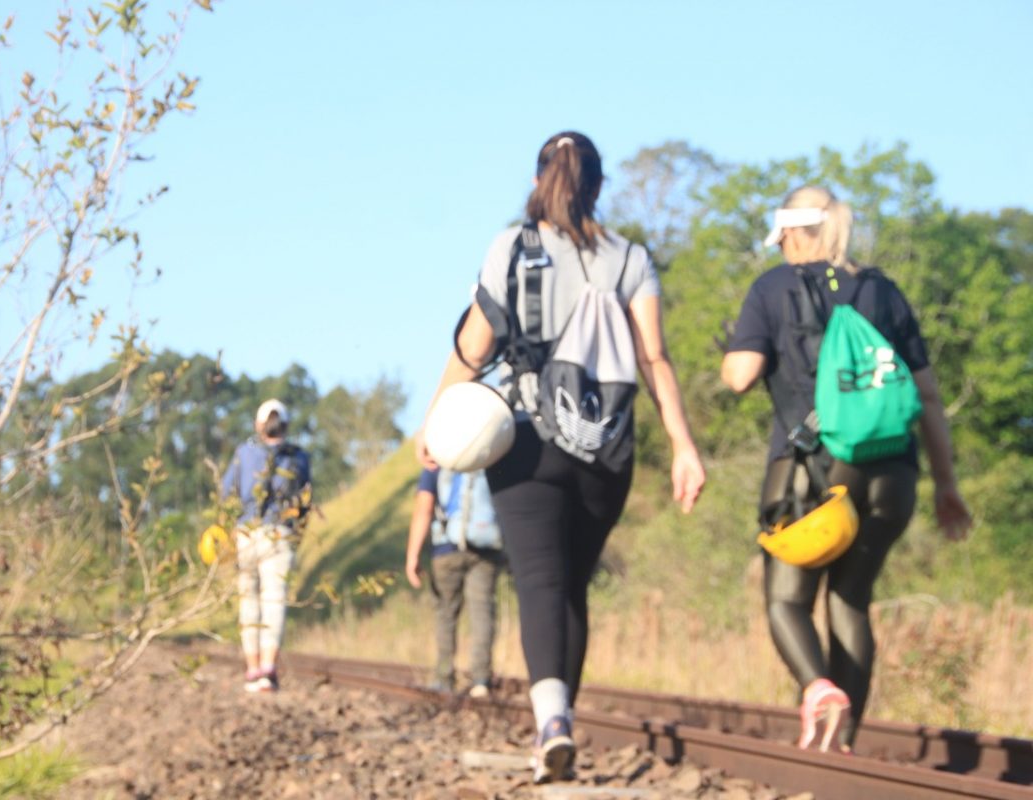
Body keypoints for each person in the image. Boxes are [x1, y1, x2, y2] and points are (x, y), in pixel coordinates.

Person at [416, 131, 706, 783]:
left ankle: (553, 722)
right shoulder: (630, 258)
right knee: (573, 584)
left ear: (540, 178)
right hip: (607, 447)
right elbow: (654, 356)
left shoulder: (508, 249)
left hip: (524, 442)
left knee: (540, 581)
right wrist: (685, 446)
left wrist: (434, 421)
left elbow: (473, 344)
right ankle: (561, 715)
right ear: (598, 186)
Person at [720, 186, 972, 752]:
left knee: (787, 599)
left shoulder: (773, 287)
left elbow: (739, 375)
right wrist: (947, 485)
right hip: (893, 472)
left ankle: (817, 689)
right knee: (850, 598)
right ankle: (843, 748)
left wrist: (734, 352)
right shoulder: (882, 291)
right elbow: (928, 396)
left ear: (788, 232)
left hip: (815, 470)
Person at [221, 398, 313, 693]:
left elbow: (226, 494)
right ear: (285, 425)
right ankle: (268, 670)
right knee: (274, 600)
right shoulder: (298, 457)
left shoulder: (244, 454)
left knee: (248, 599)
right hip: (280, 534)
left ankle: (252, 668)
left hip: (246, 533)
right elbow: (305, 501)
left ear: (259, 425)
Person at [405, 467, 504, 698]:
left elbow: (424, 508)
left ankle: (444, 677)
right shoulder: (487, 455)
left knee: (445, 614)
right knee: (483, 612)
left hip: (446, 548)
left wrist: (413, 555)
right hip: (485, 547)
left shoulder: (437, 461)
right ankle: (481, 679)